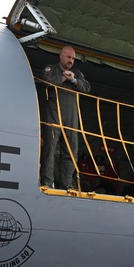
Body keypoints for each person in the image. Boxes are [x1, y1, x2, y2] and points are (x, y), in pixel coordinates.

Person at [35, 45, 91, 189]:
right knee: (50, 149)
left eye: (73, 58)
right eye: (68, 57)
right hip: (54, 116)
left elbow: (87, 88)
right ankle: (47, 182)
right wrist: (62, 78)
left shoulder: (77, 72)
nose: (71, 60)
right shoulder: (51, 69)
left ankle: (67, 184)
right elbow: (45, 81)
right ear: (61, 56)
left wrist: (74, 80)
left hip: (71, 119)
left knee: (71, 152)